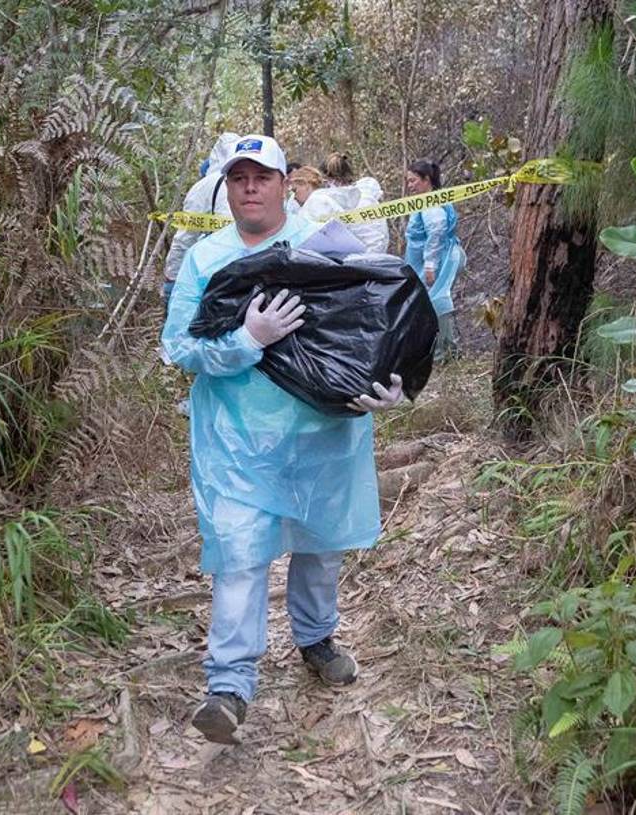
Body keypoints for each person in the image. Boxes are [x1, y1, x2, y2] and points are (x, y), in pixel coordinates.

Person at [161, 134, 405, 745]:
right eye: (239, 178)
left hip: (323, 437)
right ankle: (229, 685)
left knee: (321, 547)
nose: (250, 188)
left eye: (262, 177)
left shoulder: (323, 244)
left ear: (281, 182)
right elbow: (179, 347)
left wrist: (392, 381)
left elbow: (369, 325)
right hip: (237, 444)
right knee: (240, 559)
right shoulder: (207, 258)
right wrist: (248, 339)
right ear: (227, 186)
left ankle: (316, 639)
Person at [162, 132, 240, 306]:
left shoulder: (205, 186)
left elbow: (186, 236)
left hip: (208, 273)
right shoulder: (256, 184)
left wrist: (172, 277)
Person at [404, 159, 465, 359]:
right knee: (429, 301)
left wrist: (430, 265)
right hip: (430, 261)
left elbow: (437, 231)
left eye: (413, 181)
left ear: (426, 180)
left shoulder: (431, 204)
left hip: (440, 259)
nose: (410, 186)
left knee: (437, 299)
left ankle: (445, 351)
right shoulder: (424, 202)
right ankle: (438, 348)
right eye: (408, 181)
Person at [321, 153, 388, 253]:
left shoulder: (363, 202)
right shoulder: (337, 201)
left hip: (367, 264)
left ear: (331, 180)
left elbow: (375, 242)